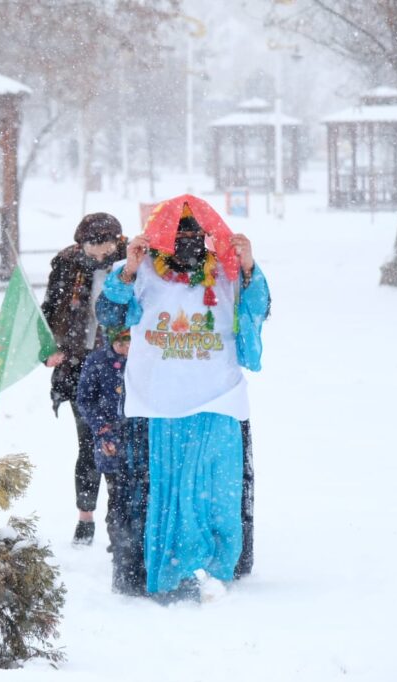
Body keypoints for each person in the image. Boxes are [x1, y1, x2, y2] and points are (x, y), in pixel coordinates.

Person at [101, 194, 270, 601]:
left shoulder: (227, 274)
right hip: (156, 406)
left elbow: (257, 310)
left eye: (196, 235)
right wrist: (129, 267)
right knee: (159, 494)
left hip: (218, 401)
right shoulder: (141, 273)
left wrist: (248, 266)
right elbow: (108, 315)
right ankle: (161, 568)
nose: (189, 243)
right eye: (180, 236)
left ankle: (217, 567)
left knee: (217, 494)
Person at [40, 212, 128, 546]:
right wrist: (49, 349)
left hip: (122, 364)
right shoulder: (67, 264)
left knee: (123, 442)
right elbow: (50, 310)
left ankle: (120, 517)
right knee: (89, 442)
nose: (95, 253)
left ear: (115, 241)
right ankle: (86, 516)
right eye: (89, 246)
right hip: (79, 363)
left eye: (100, 245)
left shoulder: (131, 262)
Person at [76, 325, 149, 595]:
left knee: (140, 498)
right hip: (111, 445)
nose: (127, 349)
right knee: (117, 498)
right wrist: (103, 429)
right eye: (121, 344)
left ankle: (138, 549)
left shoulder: (144, 359)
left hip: (140, 443)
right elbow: (85, 400)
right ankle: (118, 543)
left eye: (131, 343)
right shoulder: (97, 362)